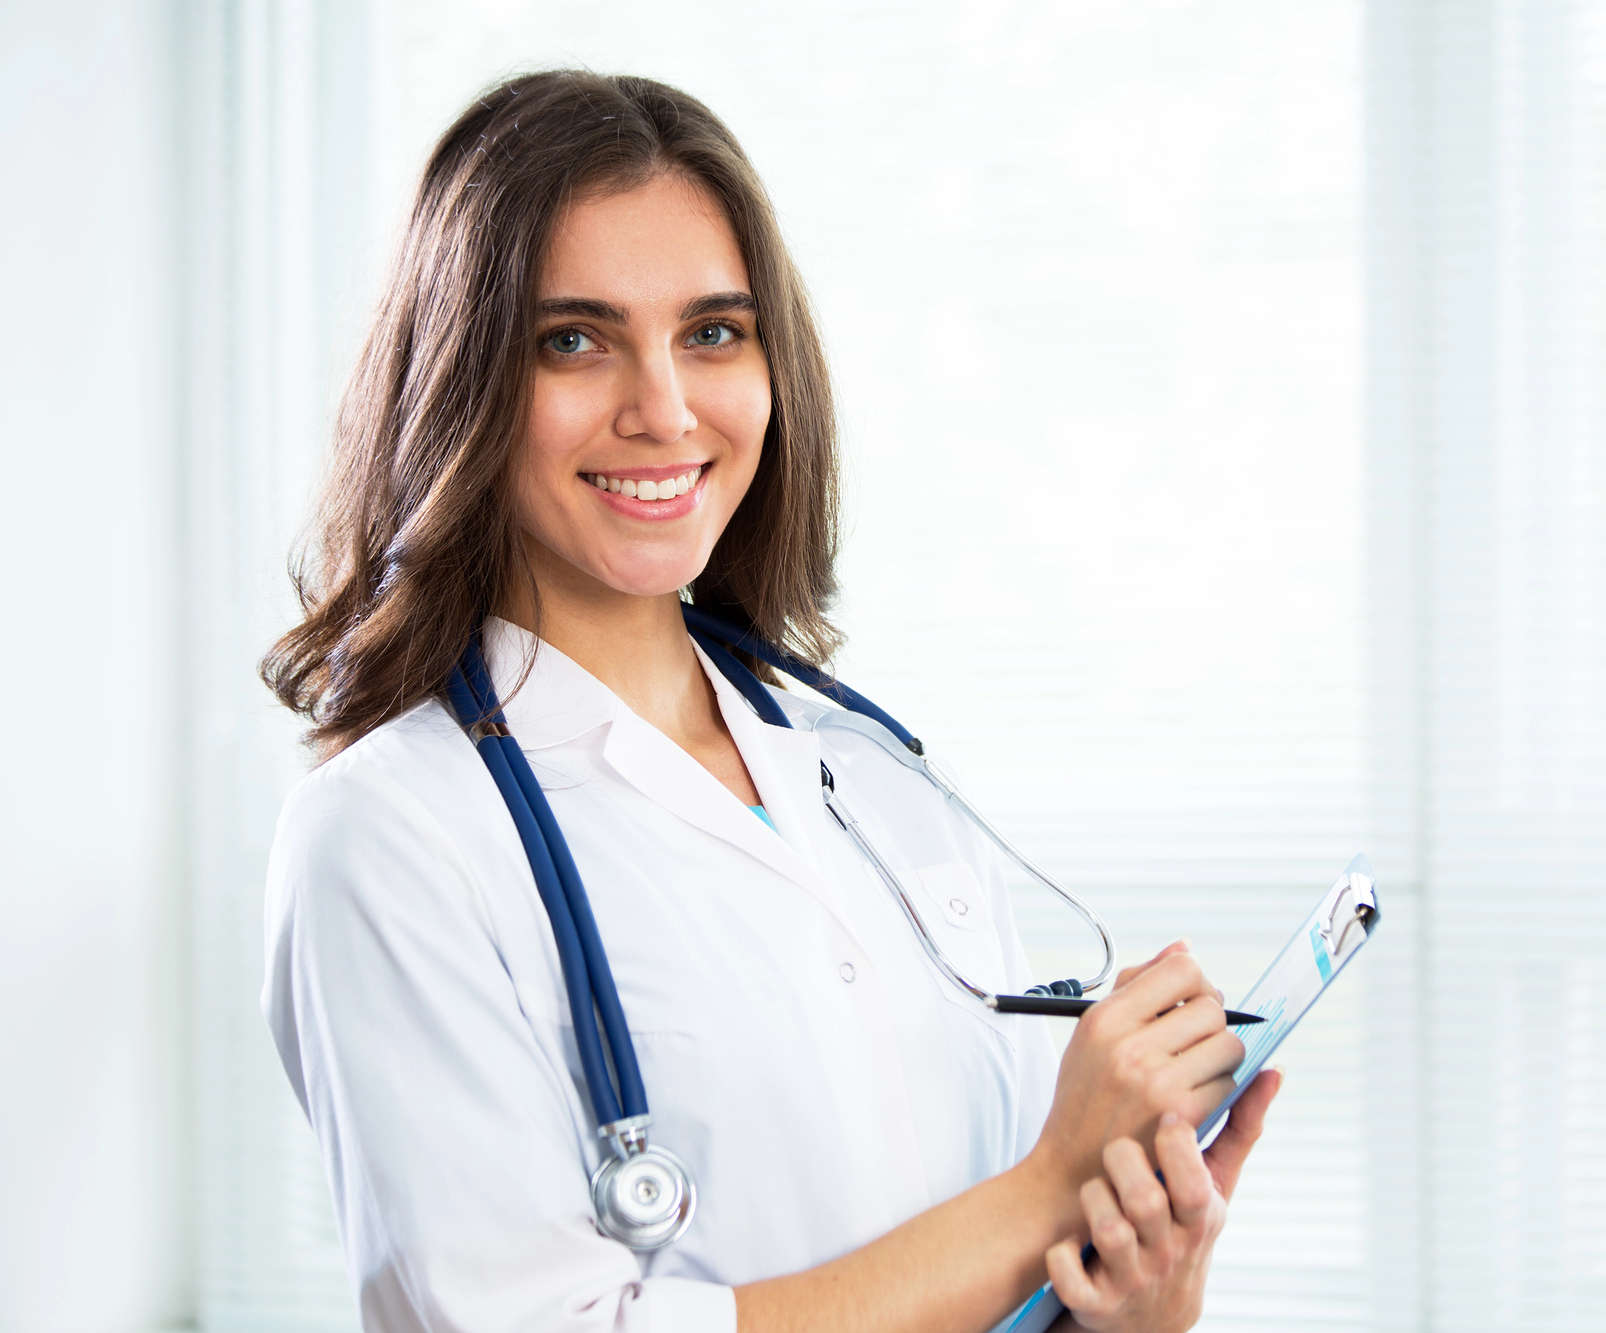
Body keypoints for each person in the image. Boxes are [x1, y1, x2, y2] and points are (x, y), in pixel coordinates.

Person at [260, 69, 1280, 1333]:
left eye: (711, 332)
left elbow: (1012, 1267)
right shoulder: (391, 835)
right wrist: (1040, 1195)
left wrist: (1128, 1294)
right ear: (463, 379)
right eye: (571, 339)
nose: (664, 409)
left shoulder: (871, 773)